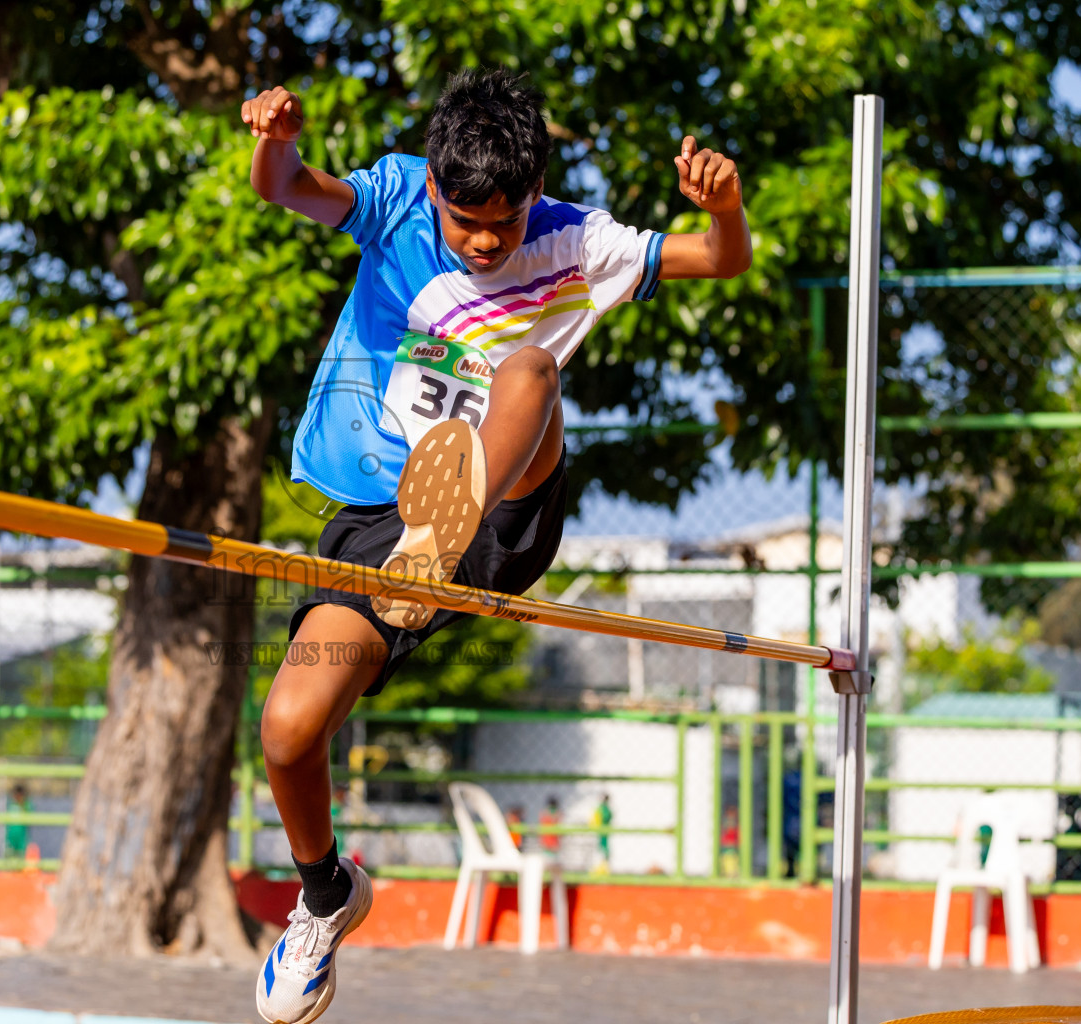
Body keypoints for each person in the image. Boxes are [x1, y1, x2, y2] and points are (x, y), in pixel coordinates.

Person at [242, 65, 750, 1024]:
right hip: (383, 521)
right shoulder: (394, 199)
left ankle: (444, 534)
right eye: (463, 221)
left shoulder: (579, 240)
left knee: (528, 369)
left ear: (536, 194)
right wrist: (276, 139)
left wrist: (723, 209)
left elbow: (720, 261)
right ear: (433, 185)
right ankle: (326, 895)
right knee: (289, 730)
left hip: (506, 503)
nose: (483, 243)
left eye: (504, 224)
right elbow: (285, 186)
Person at [5, 783, 33, 858]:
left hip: (21, 838)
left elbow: (29, 817)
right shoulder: (11, 805)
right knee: (9, 855)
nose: (17, 797)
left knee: (21, 856)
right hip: (11, 837)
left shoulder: (26, 805)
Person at [592, 794, 613, 871]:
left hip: (603, 832)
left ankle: (603, 868)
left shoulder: (603, 809)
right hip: (600, 831)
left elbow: (607, 817)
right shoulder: (602, 809)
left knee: (603, 850)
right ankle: (600, 868)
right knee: (601, 850)